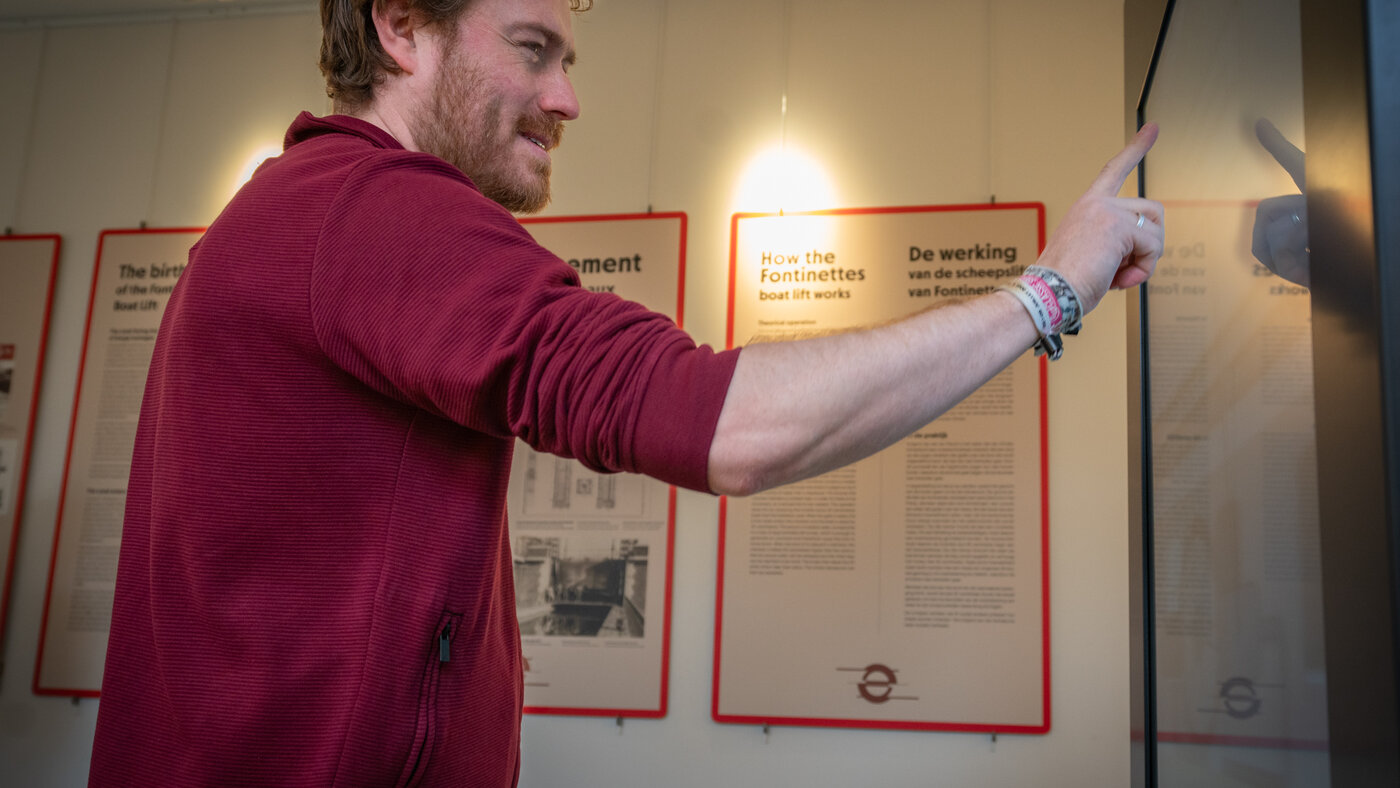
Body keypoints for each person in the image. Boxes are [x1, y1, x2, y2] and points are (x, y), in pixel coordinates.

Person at [88, 0, 1164, 785]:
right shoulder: (366, 205)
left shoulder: (299, 215)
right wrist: (1046, 290)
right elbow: (725, 424)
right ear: (400, 27)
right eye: (531, 49)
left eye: (569, 57)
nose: (566, 97)